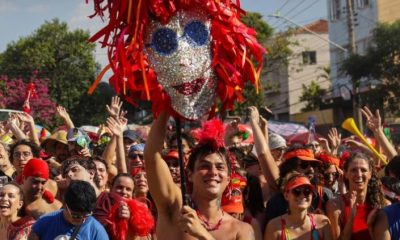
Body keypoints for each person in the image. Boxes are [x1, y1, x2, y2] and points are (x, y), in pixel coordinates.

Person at [144, 112, 254, 239]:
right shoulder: (175, 208)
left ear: (228, 178)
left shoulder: (241, 230)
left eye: (220, 167)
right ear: (190, 174)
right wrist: (164, 107)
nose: (213, 172)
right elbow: (152, 157)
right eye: (204, 166)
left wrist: (201, 233)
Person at [326, 152, 385, 240]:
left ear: (370, 173)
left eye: (363, 170)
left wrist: (370, 227)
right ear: (345, 174)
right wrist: (351, 218)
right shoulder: (335, 205)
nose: (359, 174)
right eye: (354, 170)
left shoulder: (381, 204)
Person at [29, 180, 109, 239]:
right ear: (64, 204)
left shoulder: (97, 231)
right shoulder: (43, 223)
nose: (81, 219)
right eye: (76, 216)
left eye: (86, 215)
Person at [265, 172, 332, 240]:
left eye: (307, 191)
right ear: (286, 195)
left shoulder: (322, 223)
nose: (302, 195)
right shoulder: (274, 226)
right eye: (296, 191)